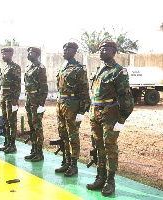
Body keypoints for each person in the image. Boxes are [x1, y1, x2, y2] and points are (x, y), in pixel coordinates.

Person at [86, 41, 134, 196]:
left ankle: (110, 181)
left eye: (105, 49)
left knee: (110, 148)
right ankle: (100, 177)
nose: (101, 51)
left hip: (110, 116)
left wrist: (121, 120)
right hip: (96, 114)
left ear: (114, 52)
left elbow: (126, 99)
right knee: (98, 146)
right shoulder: (99, 70)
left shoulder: (118, 72)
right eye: (100, 49)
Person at [55, 42, 90, 176]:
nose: (65, 51)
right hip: (61, 103)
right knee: (63, 134)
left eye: (68, 49)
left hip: (72, 105)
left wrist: (82, 111)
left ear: (74, 51)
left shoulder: (78, 68)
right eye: (64, 48)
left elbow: (84, 90)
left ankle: (74, 165)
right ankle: (66, 161)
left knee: (72, 135)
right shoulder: (63, 67)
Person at [24, 47, 48, 162]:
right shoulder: (29, 67)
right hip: (29, 100)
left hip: (36, 101)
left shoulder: (40, 68)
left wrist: (41, 104)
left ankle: (39, 152)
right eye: (28, 52)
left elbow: (44, 87)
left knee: (37, 126)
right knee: (32, 126)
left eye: (31, 52)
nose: (29, 54)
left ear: (37, 54)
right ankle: (33, 150)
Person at [0, 47, 21, 154]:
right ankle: (7, 142)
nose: (3, 56)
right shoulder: (5, 67)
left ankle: (12, 144)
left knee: (11, 121)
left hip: (11, 98)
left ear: (10, 55)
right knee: (6, 121)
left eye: (5, 54)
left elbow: (17, 85)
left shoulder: (15, 67)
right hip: (4, 97)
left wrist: (15, 100)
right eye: (2, 54)